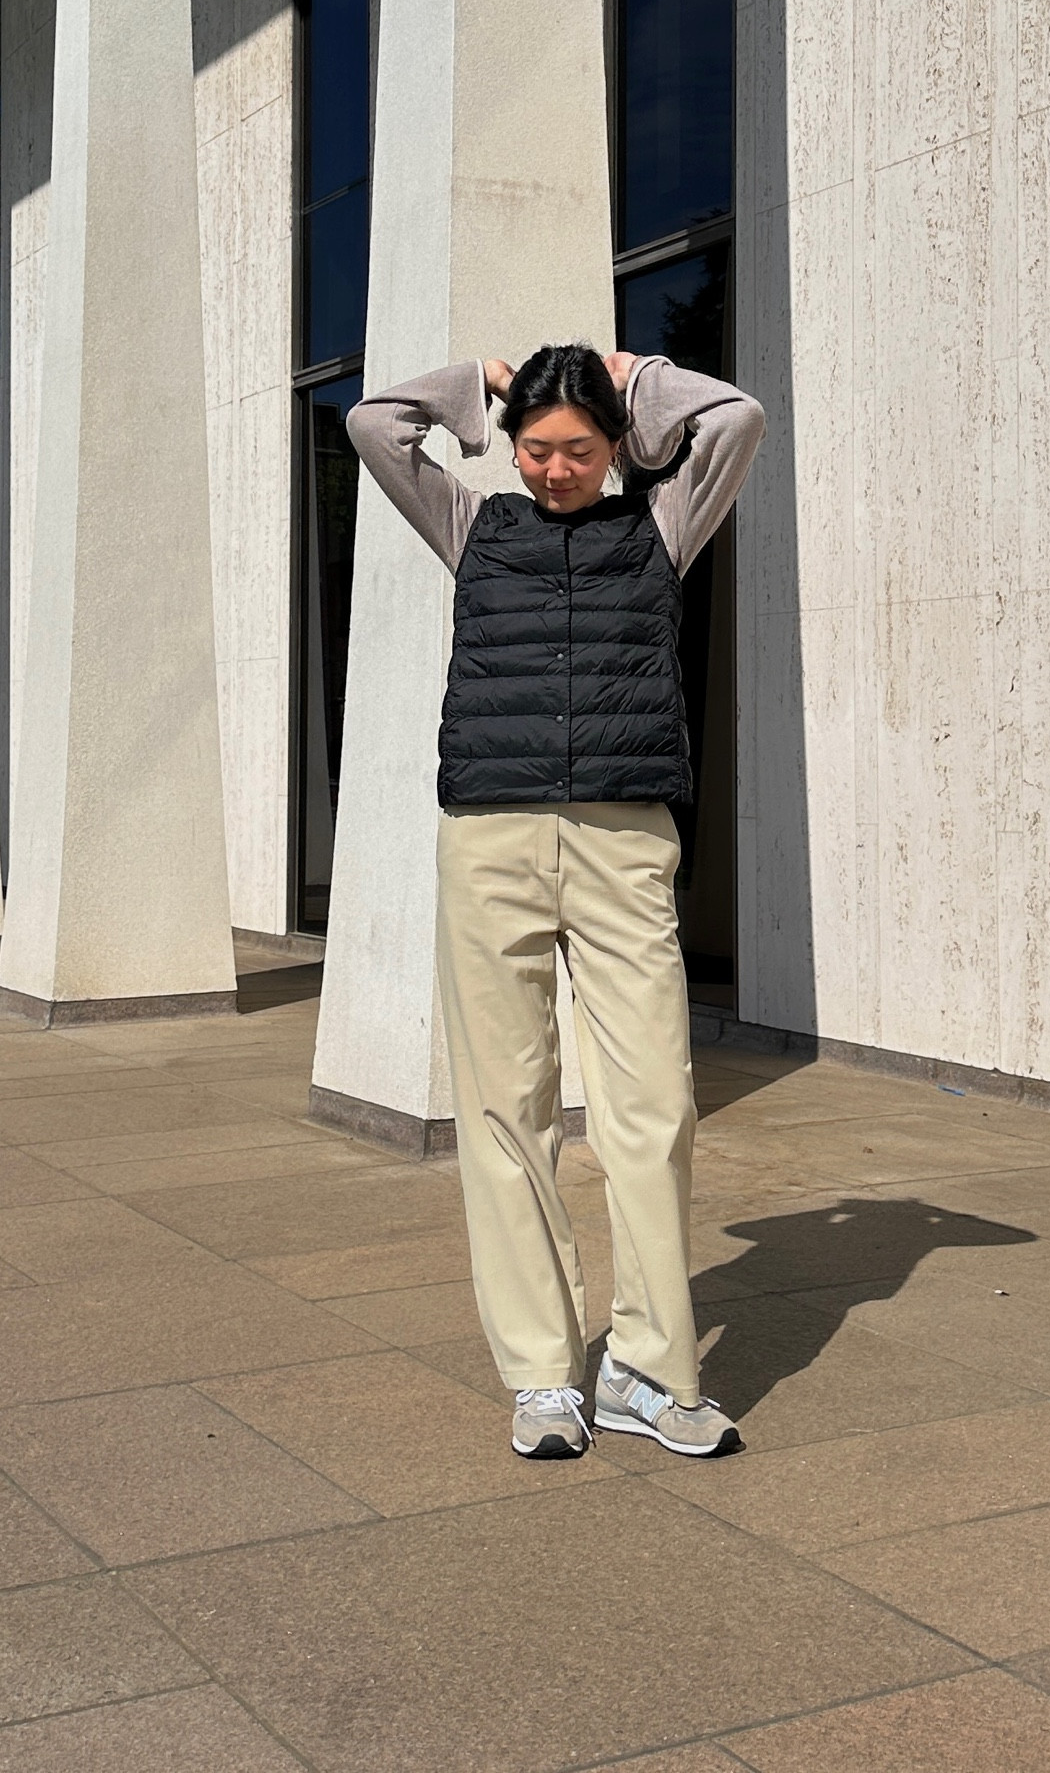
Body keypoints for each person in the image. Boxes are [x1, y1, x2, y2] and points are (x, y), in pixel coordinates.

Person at [347, 342, 764, 1458]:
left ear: (615, 444)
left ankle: (648, 1368)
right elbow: (373, 426)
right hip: (491, 835)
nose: (555, 471)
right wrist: (471, 386)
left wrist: (641, 378)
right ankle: (543, 1373)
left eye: (579, 449)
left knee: (653, 1108)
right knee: (506, 1110)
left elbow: (736, 418)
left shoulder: (663, 523)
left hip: (627, 841)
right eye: (536, 450)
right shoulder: (472, 523)